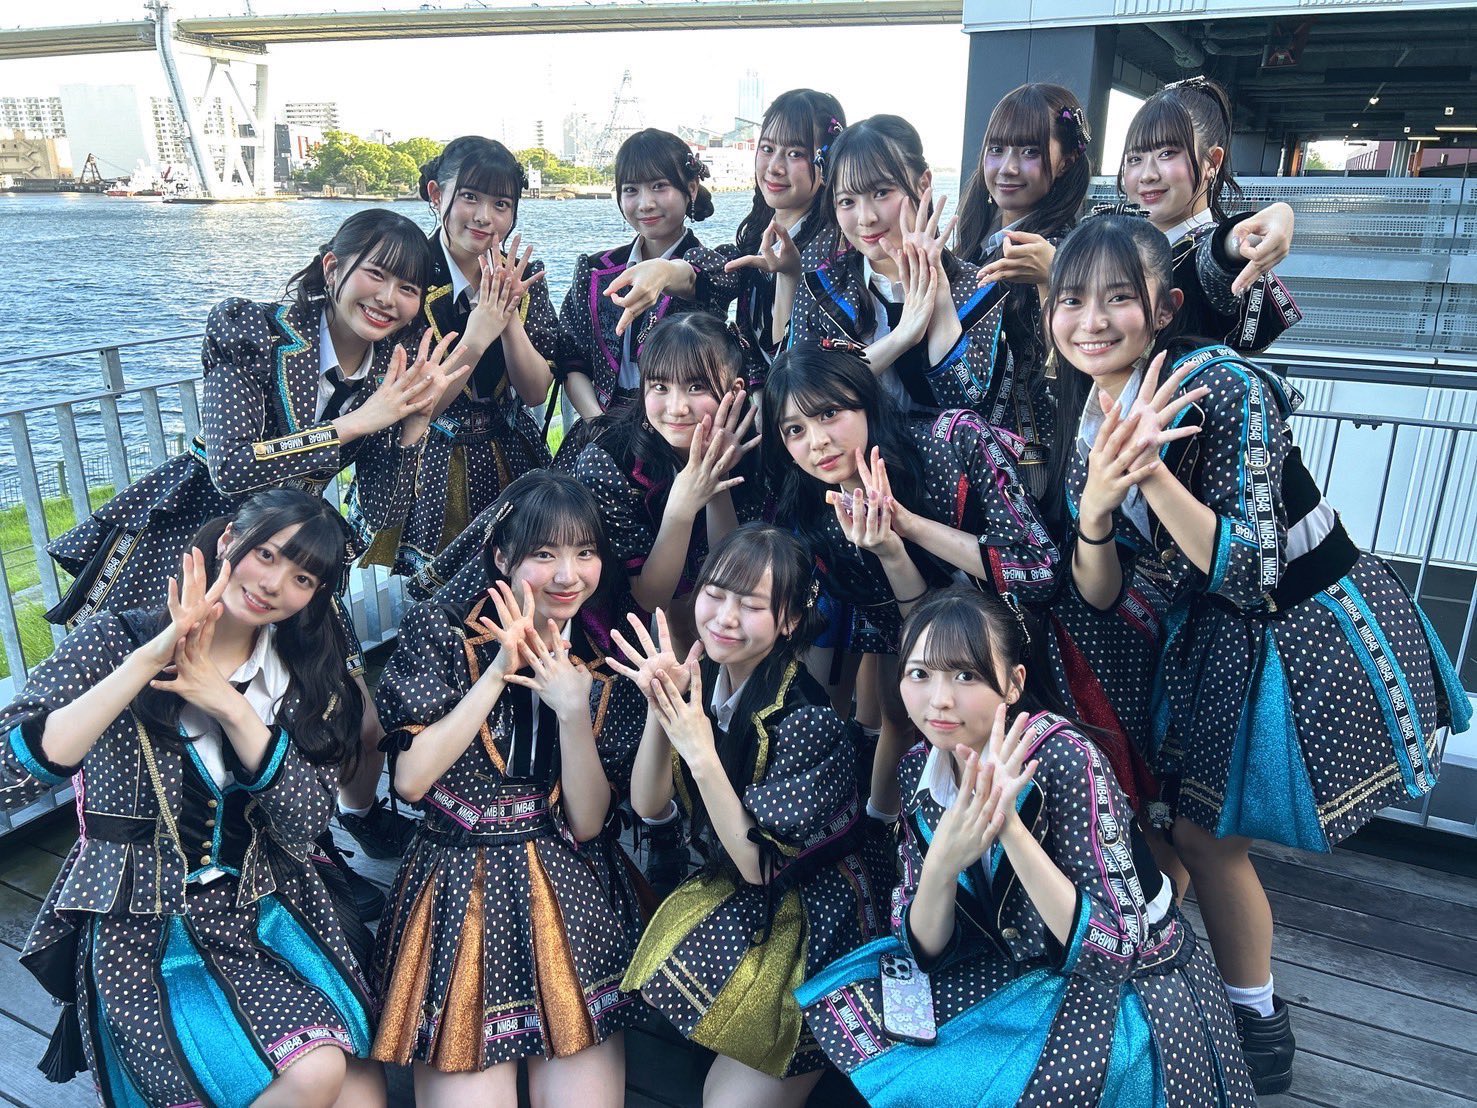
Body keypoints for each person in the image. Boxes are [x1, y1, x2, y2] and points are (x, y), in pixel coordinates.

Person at [1048, 212, 1471, 1092]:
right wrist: (1092, 512)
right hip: (1213, 637)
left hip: (1299, 629)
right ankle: (1156, 980)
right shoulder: (1086, 414)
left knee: (1207, 837)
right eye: (1071, 301)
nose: (1091, 321)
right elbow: (1101, 590)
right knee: (1179, 826)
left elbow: (1251, 567)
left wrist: (1146, 470)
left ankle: (1254, 1024)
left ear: (1163, 309)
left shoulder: (1222, 383)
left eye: (1116, 299)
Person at [44, 208, 464, 891]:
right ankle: (168, 863)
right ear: (333, 267)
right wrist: (357, 424)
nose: (389, 299)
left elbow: (383, 516)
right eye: (376, 275)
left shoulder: (391, 369)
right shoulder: (251, 330)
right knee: (166, 711)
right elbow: (232, 470)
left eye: (409, 288)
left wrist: (413, 423)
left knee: (347, 715)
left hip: (292, 560)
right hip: (208, 546)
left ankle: (331, 834)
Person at [797, 586, 1258, 1107]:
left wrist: (1009, 826)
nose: (939, 699)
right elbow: (921, 947)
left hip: (1131, 992)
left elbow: (1114, 948)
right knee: (862, 1024)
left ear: (1014, 682)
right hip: (1013, 966)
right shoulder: (918, 769)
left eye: (966, 675)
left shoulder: (1063, 758)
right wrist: (941, 864)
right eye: (919, 673)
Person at [2, 490, 383, 1108]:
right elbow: (6, 777)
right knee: (317, 1073)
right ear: (229, 539)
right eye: (267, 554)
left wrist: (231, 707)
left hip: (264, 911)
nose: (273, 584)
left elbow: (307, 823)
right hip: (143, 930)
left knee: (362, 1085)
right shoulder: (115, 638)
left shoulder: (299, 675)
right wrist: (148, 660)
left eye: (303, 577)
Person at [371, 471, 645, 1107]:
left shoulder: (604, 659)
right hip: (455, 880)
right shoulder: (442, 632)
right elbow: (410, 781)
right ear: (502, 558)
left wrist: (572, 712)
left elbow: (587, 823)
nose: (567, 575)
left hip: (570, 885)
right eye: (544, 554)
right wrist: (498, 671)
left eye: (584, 552)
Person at [613, 524, 890, 1107]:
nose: (725, 617)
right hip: (743, 890)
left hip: (816, 920)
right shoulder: (710, 680)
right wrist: (663, 707)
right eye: (715, 594)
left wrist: (699, 749)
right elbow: (648, 805)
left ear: (790, 621)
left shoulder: (809, 720)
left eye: (752, 605)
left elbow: (758, 866)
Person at [764, 344, 1058, 817]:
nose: (816, 441)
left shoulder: (954, 441)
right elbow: (917, 636)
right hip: (957, 682)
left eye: (829, 413)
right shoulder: (818, 521)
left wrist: (911, 525)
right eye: (794, 429)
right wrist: (890, 551)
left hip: (1052, 647)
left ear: (866, 399)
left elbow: (1040, 572)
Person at [357, 135, 557, 588]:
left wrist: (506, 315)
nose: (485, 217)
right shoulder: (408, 275)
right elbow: (415, 406)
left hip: (511, 451)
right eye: (469, 197)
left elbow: (534, 392)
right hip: (433, 461)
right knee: (439, 592)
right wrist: (477, 334)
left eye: (501, 204)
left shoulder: (523, 275)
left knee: (520, 577)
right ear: (436, 194)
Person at [603, 89, 847, 390]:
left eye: (795, 153)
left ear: (826, 160)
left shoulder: (837, 250)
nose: (774, 167)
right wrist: (665, 270)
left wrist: (789, 276)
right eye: (767, 148)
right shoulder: (753, 244)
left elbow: (805, 360)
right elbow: (708, 276)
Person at [787, 115, 1006, 416]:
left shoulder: (977, 284)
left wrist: (940, 297)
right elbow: (799, 395)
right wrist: (902, 336)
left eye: (881, 193)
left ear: (923, 184)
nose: (866, 218)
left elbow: (967, 401)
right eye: (847, 201)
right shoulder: (821, 287)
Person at [955, 83, 1094, 495]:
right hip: (971, 448)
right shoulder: (975, 241)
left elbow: (1081, 371)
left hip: (1032, 461)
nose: (1007, 168)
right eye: (996, 149)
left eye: (1030, 152)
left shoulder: (1077, 250)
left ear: (1067, 160)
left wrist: (1057, 278)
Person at [552, 127, 725, 446]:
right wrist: (597, 424)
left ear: (691, 189)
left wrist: (665, 272)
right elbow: (572, 357)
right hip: (598, 431)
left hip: (676, 432)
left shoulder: (711, 268)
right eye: (631, 190)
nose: (645, 203)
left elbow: (697, 279)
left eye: (659, 186)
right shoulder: (596, 269)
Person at [1118, 75, 1301, 352]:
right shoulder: (1122, 242)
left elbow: (1221, 255)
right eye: (1135, 159)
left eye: (1167, 153)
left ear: (1212, 162)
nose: (1147, 174)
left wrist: (1249, 235)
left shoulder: (1206, 250)